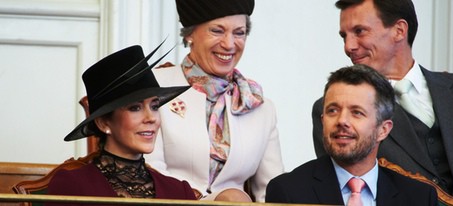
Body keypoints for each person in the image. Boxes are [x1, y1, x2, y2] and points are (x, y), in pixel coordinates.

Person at [312, 0, 453, 199]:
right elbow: (346, 186)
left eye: (359, 31)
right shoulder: (333, 111)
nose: (348, 46)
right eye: (344, 36)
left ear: (399, 30)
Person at [147, 0, 284, 202]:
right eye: (217, 31)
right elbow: (147, 173)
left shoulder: (258, 106)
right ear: (190, 34)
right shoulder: (153, 88)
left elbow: (273, 192)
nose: (229, 44)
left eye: (239, 33)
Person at [46, 44, 195, 205]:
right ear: (103, 123)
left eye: (154, 106)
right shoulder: (71, 186)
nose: (150, 118)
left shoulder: (180, 192)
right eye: (135, 108)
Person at [268, 64, 437, 205]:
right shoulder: (288, 191)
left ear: (383, 130)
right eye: (332, 111)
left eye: (356, 113)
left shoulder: (419, 197)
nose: (342, 121)